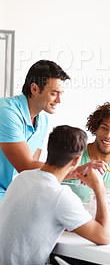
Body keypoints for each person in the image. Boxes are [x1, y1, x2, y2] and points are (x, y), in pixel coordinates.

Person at [0, 125, 110, 265]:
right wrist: (99, 188)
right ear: (77, 160)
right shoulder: (60, 196)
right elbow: (104, 236)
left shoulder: (23, 177)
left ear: (49, 150)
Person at [0, 59, 70, 202]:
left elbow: (33, 169)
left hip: (12, 194)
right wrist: (73, 170)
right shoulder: (6, 111)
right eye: (54, 93)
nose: (59, 100)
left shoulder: (42, 119)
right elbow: (26, 165)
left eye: (61, 93)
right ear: (34, 89)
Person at [66, 102, 110, 201]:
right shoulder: (73, 154)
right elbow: (49, 179)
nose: (108, 135)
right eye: (104, 128)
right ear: (96, 128)